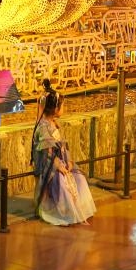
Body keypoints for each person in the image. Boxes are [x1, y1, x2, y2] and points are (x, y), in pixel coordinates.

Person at [31, 79, 96, 226]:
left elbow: (62, 147)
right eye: (62, 105)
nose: (63, 108)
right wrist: (59, 166)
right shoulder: (42, 127)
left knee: (79, 179)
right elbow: (47, 152)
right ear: (55, 108)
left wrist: (69, 161)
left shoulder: (53, 124)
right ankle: (63, 213)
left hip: (60, 161)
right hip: (49, 166)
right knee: (62, 181)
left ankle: (79, 210)